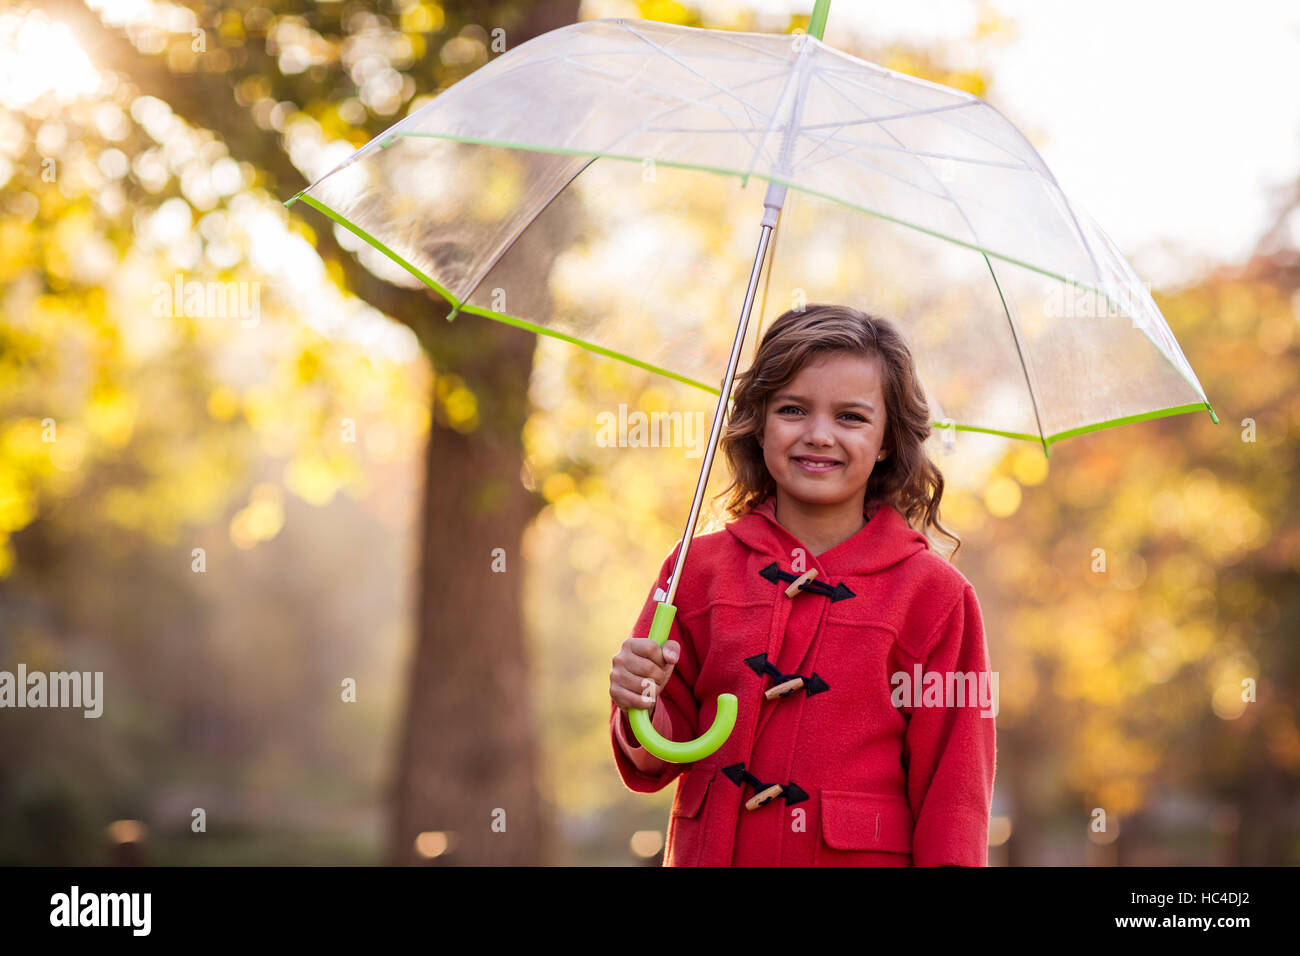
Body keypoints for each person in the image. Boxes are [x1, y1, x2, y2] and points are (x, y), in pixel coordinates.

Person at [609, 303, 996, 866]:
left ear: (888, 439)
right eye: (793, 409)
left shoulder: (935, 595)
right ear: (759, 422)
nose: (818, 435)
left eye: (851, 417)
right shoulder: (694, 568)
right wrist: (639, 701)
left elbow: (955, 797)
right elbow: (654, 759)